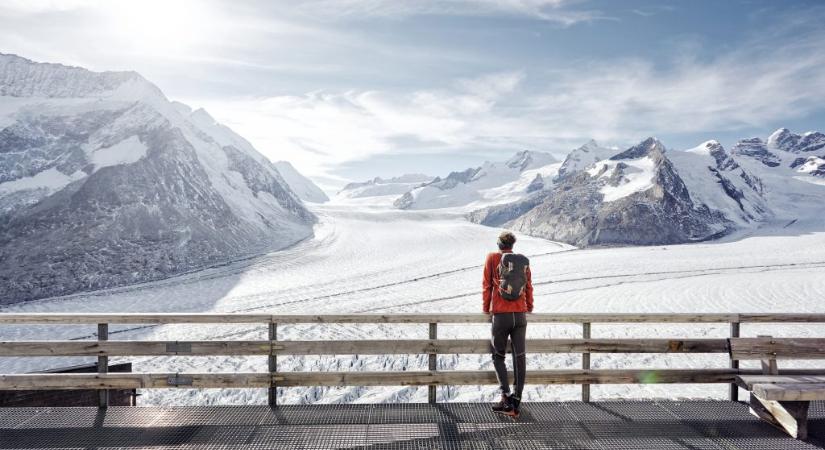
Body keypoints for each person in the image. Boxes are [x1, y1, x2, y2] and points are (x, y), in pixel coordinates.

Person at [482, 231, 533, 418]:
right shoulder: (522, 262)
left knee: (498, 356)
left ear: (498, 244)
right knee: (519, 358)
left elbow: (487, 285)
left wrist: (486, 308)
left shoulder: (492, 258)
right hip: (519, 315)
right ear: (512, 245)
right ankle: (516, 403)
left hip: (501, 316)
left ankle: (506, 397)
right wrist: (529, 306)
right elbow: (528, 286)